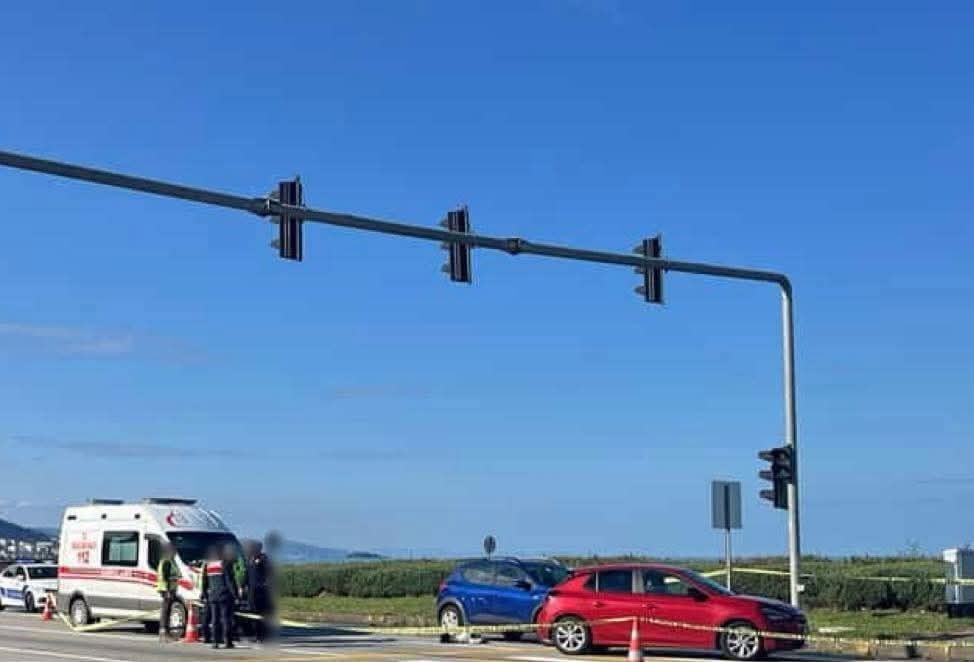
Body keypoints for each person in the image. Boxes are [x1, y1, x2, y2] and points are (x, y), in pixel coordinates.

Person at [201, 544, 239, 649]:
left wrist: (204, 593)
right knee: (226, 619)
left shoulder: (208, 565)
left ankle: (215, 642)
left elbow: (204, 581)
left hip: (212, 596)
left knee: (215, 619)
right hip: (224, 595)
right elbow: (229, 581)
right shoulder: (224, 564)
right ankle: (227, 641)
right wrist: (235, 595)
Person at [246, 539, 274, 643]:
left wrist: (267, 583)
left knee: (263, 613)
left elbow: (270, 572)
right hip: (252, 590)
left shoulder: (264, 558)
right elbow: (247, 574)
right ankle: (257, 635)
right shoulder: (249, 559)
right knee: (253, 613)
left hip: (262, 591)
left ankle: (263, 635)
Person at [155, 543, 180, 643]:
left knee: (168, 611)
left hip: (170, 589)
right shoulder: (167, 562)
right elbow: (165, 577)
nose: (175, 553)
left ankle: (166, 633)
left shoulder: (170, 561)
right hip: (167, 590)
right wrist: (168, 591)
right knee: (166, 611)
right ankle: (164, 633)